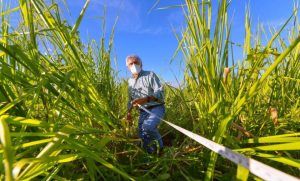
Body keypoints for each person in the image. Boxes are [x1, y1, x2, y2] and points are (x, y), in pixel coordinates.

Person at [126, 55, 165, 155]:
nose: (134, 65)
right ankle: (149, 153)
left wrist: (145, 99)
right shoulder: (130, 82)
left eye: (136, 62)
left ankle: (160, 150)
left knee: (148, 127)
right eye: (131, 63)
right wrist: (129, 113)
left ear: (141, 64)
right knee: (142, 132)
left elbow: (161, 93)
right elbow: (130, 100)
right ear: (128, 67)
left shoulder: (150, 75)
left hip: (156, 107)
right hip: (143, 110)